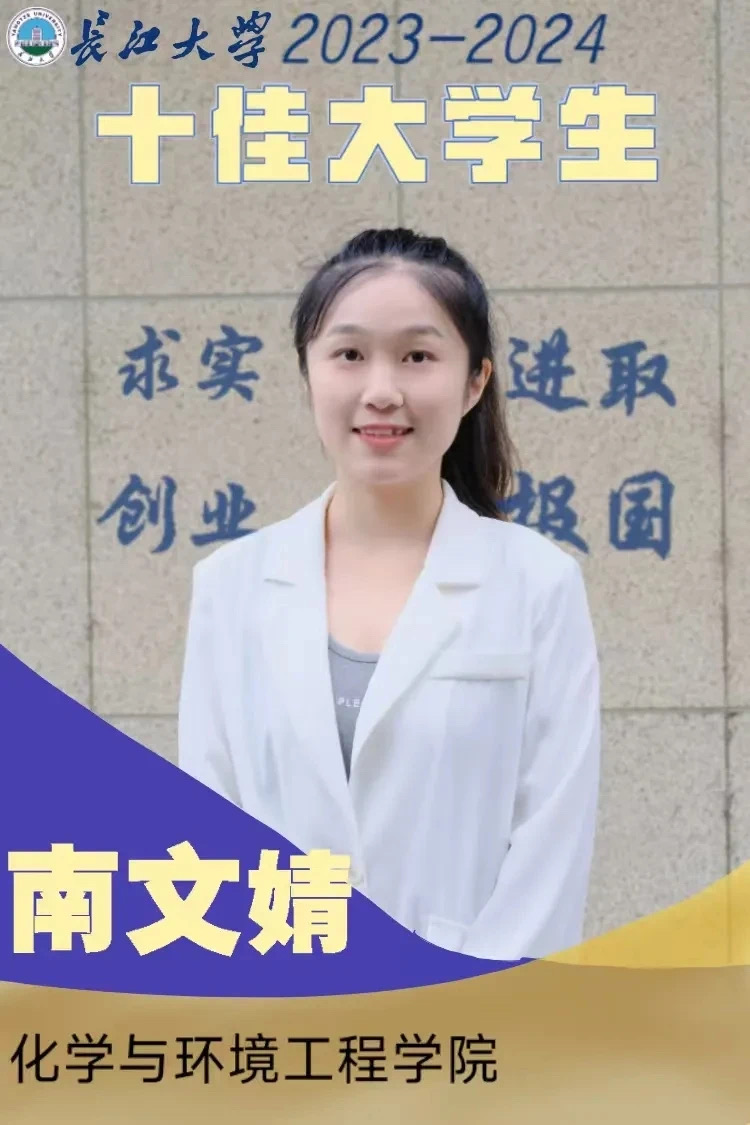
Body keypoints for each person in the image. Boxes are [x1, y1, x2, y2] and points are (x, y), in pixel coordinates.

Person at [178, 227, 601, 961]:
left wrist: (463, 1005)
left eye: (417, 356)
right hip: (282, 1006)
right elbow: (209, 828)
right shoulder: (231, 586)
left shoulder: (538, 585)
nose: (381, 390)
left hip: (474, 1014)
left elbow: (551, 848)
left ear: (475, 382)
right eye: (349, 354)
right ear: (308, 372)